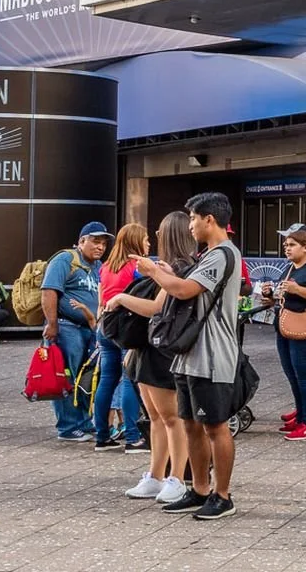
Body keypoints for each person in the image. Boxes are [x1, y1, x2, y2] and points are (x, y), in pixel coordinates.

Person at [135, 192, 242, 521]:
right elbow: (185, 284)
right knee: (191, 425)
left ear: (210, 219)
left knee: (215, 426)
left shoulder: (223, 254)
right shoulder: (208, 254)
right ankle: (198, 489)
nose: (190, 225)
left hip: (212, 355)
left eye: (194, 218)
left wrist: (153, 271)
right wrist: (167, 272)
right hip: (189, 354)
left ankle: (222, 495)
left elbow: (183, 291)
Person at [104, 210, 194, 504]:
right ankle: (156, 475)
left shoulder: (178, 268)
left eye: (160, 232)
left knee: (171, 418)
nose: (155, 237)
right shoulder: (166, 266)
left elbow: (156, 307)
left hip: (162, 350)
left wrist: (119, 299)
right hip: (147, 348)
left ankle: (177, 477)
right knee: (155, 417)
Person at [257, 225, 306, 441]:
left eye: (292, 245)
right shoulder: (290, 267)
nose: (287, 248)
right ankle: (301, 415)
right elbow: (287, 292)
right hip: (285, 324)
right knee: (292, 373)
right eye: (285, 245)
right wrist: (271, 296)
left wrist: (298, 290)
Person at [41, 221, 110, 440]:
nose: (100, 247)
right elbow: (49, 291)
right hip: (66, 327)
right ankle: (68, 427)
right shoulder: (65, 260)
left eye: (103, 244)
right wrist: (52, 324)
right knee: (66, 376)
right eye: (95, 242)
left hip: (89, 329)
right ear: (82, 241)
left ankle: (83, 422)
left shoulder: (98, 266)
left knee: (85, 377)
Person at [94, 222, 149, 452]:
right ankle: (133, 438)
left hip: (105, 326)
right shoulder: (137, 267)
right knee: (129, 378)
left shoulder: (105, 266)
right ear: (136, 242)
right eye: (146, 239)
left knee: (107, 379)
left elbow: (101, 298)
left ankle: (102, 437)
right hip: (127, 329)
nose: (148, 243)